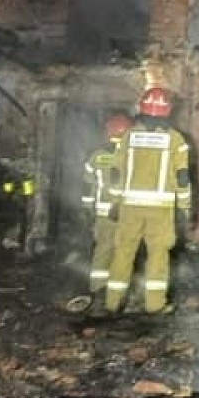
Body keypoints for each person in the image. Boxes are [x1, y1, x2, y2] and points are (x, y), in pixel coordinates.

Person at [104, 86, 193, 315]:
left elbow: (116, 172)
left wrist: (114, 201)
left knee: (123, 252)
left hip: (130, 207)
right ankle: (155, 305)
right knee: (158, 256)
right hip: (160, 210)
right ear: (168, 112)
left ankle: (112, 303)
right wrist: (184, 207)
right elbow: (182, 178)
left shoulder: (129, 136)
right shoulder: (176, 140)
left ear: (142, 109)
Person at [81, 113, 131, 294]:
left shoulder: (96, 156)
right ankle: (119, 292)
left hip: (103, 215)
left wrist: (87, 208)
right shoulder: (133, 156)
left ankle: (97, 289)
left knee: (103, 251)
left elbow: (87, 184)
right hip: (127, 214)